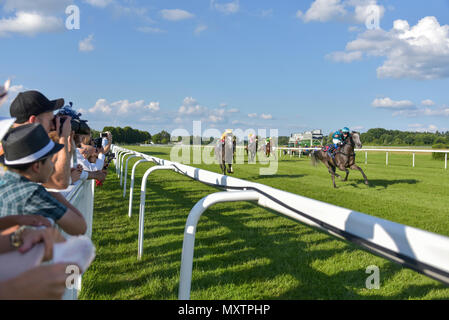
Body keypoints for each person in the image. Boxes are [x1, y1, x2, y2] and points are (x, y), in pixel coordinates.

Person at [0, 123, 87, 236]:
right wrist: (55, 195)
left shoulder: (5, 181)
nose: (52, 165)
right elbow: (79, 227)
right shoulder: (33, 194)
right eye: (51, 160)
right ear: (36, 166)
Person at [9, 90, 72, 190]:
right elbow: (60, 182)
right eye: (51, 120)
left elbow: (44, 185)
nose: (53, 126)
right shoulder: (15, 150)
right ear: (34, 121)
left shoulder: (14, 143)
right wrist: (63, 137)